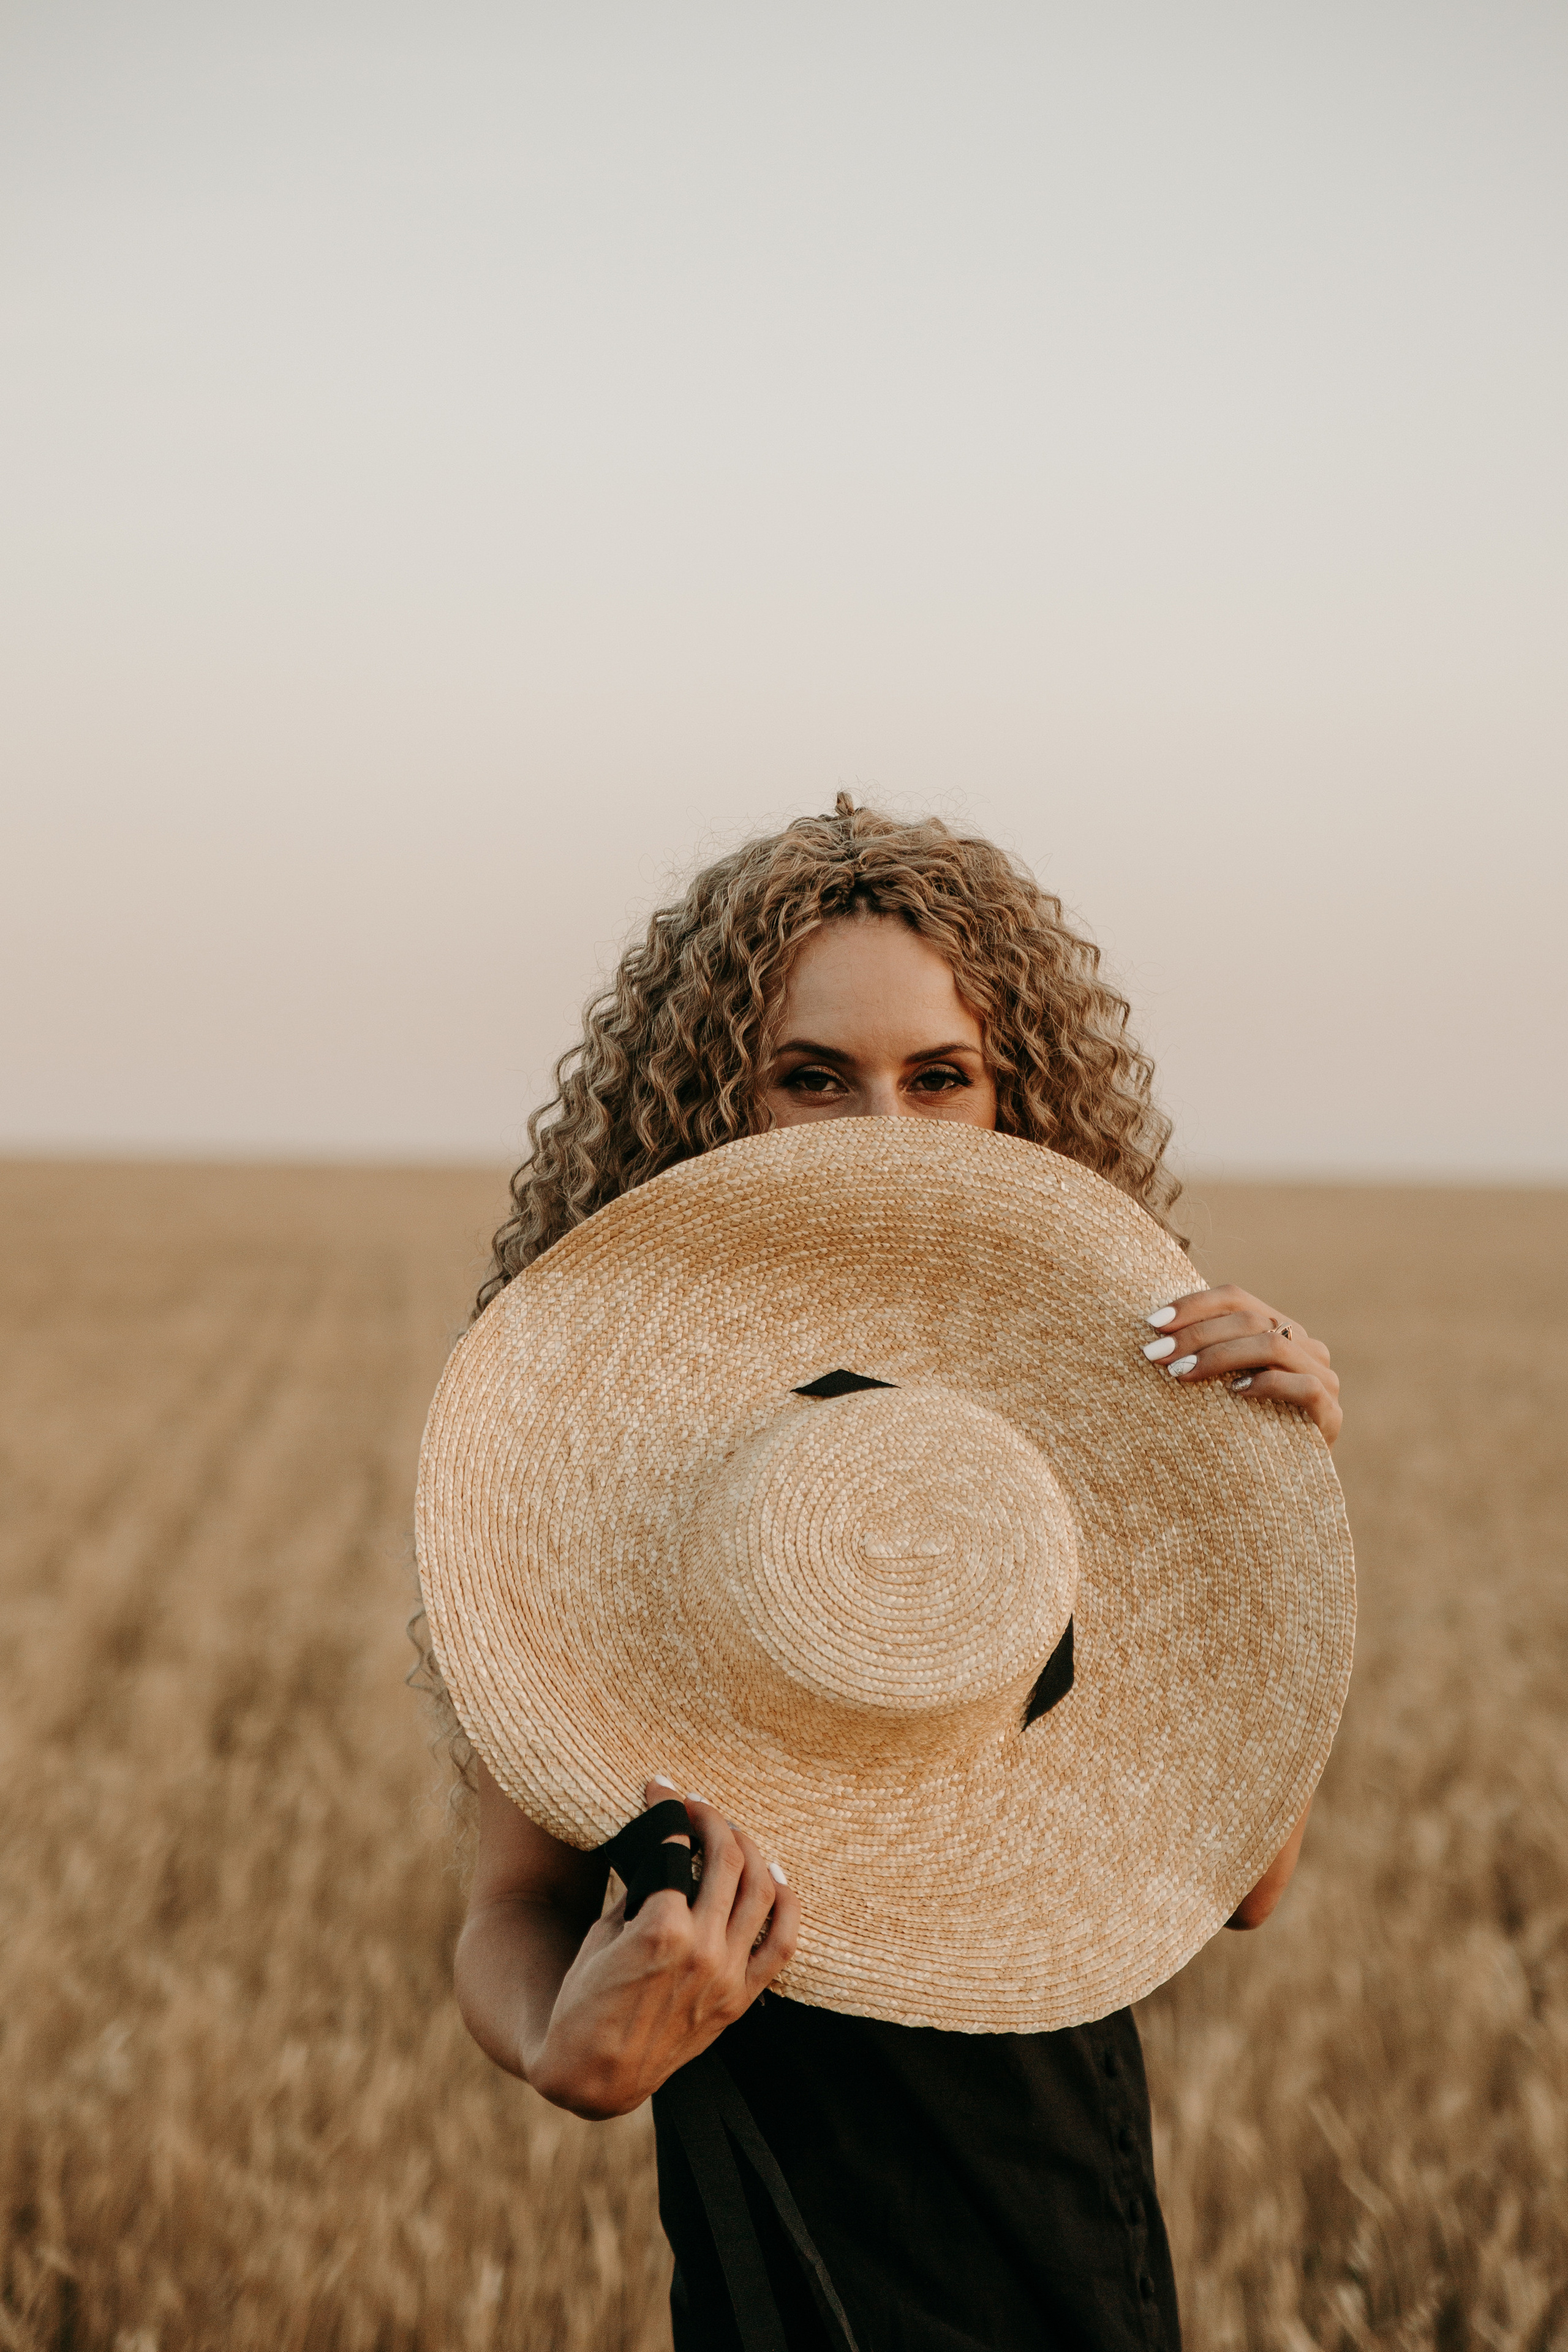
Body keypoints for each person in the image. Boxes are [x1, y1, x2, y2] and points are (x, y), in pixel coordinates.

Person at [426, 797, 1343, 2351]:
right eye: (812, 1079)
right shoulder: (607, 1434)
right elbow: (512, 1904)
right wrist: (560, 2049)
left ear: (1009, 1097)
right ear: (719, 1105)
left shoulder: (1099, 1409)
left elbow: (1239, 1882)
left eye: (939, 1078)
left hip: (1054, 2201)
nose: (887, 1134)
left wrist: (1279, 1512)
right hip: (769, 2214)